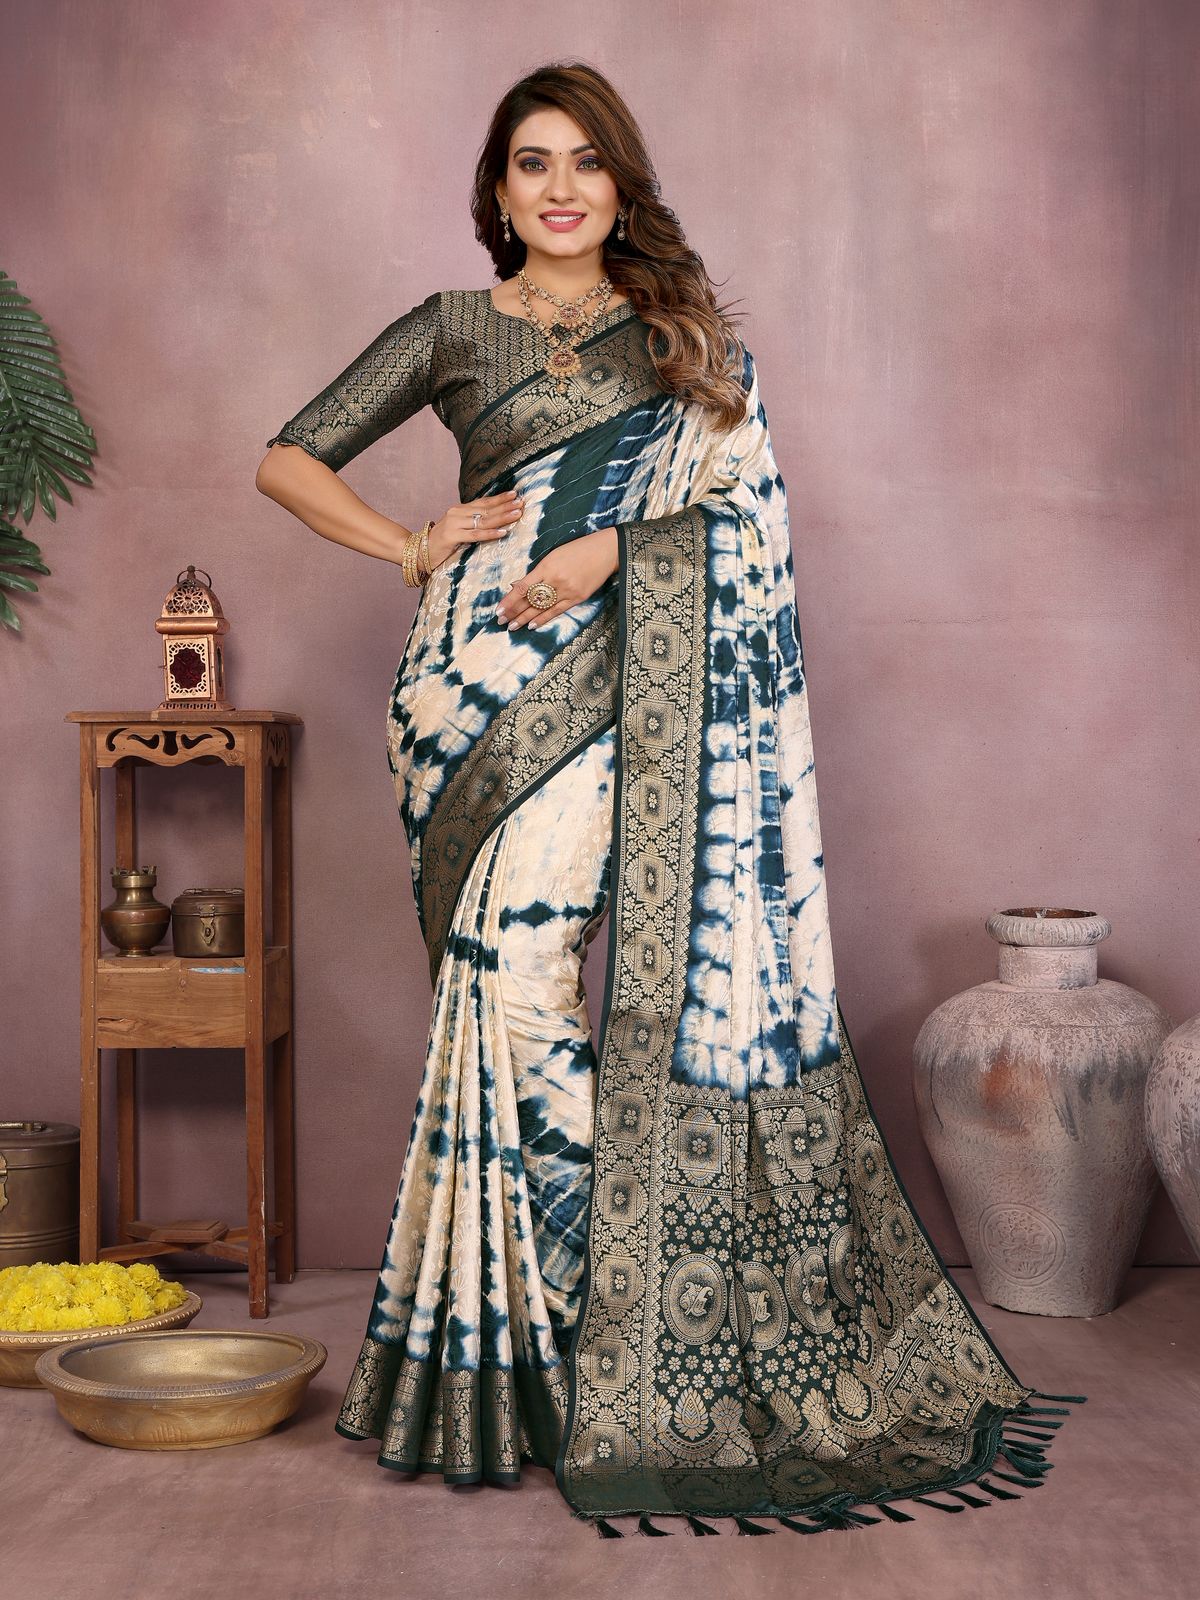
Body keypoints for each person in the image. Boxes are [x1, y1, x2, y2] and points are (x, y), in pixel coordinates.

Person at [256, 60, 1084, 1538]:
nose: (560, 187)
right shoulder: (451, 331)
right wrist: (407, 546)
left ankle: (623, 1325)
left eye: (586, 162)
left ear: (621, 183)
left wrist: (608, 561)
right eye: (530, 164)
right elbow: (285, 457)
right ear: (496, 192)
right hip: (461, 703)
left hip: (620, 696)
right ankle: (577, 1348)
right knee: (492, 1005)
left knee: (518, 1003)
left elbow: (743, 523)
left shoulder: (680, 345)